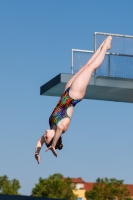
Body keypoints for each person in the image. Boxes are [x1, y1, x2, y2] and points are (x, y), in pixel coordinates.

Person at [35, 36, 112, 164]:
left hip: (66, 92)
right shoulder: (62, 127)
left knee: (85, 66)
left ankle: (103, 45)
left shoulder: (51, 125)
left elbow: (39, 141)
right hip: (74, 96)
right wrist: (53, 145)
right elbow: (59, 130)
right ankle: (105, 47)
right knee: (90, 68)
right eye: (47, 138)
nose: (44, 136)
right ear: (54, 138)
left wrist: (36, 153)